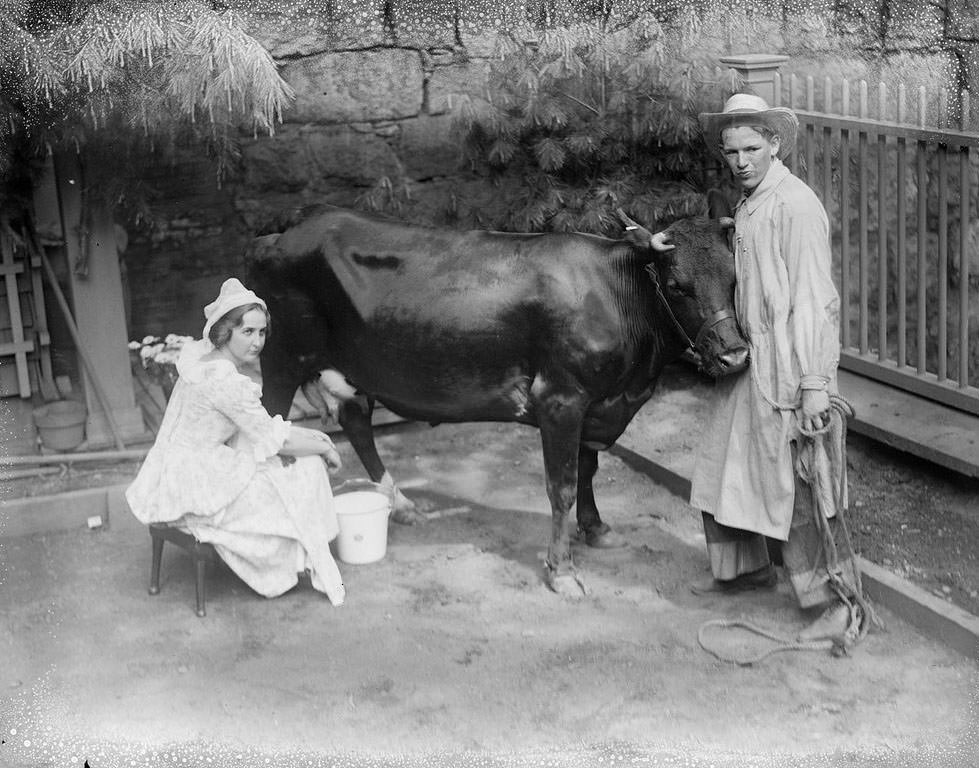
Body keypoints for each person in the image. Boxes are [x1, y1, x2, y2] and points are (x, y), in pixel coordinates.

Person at [658, 93, 859, 642]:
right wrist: (661, 244)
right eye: (731, 150)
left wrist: (815, 383)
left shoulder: (794, 206)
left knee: (801, 484)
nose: (741, 160)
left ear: (775, 145)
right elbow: (714, 247)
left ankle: (838, 606)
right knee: (722, 465)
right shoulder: (747, 202)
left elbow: (817, 300)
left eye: (752, 148)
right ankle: (743, 573)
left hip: (793, 365)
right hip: (749, 357)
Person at [126, 278, 346, 606]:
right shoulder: (225, 381)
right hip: (196, 483)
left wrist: (307, 440)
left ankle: (300, 555)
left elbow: (254, 429)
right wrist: (324, 445)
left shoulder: (201, 358)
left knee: (281, 467)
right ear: (226, 330)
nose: (257, 342)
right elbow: (276, 439)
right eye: (247, 332)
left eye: (261, 332)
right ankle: (291, 565)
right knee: (303, 471)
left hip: (171, 471)